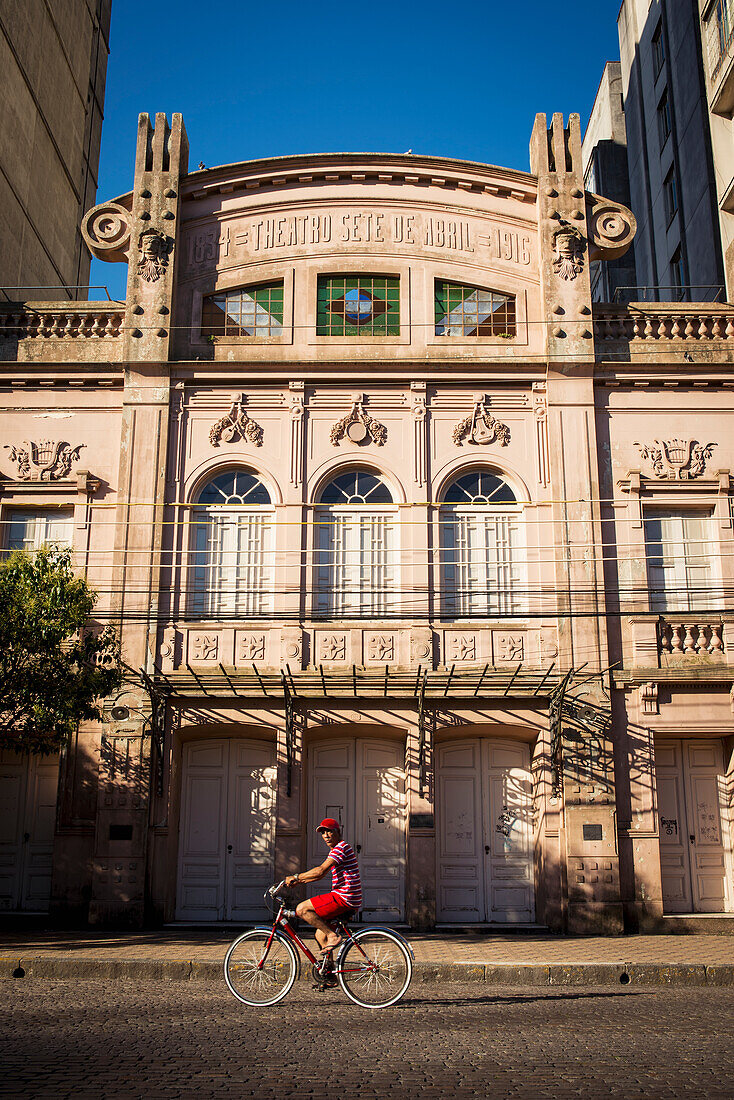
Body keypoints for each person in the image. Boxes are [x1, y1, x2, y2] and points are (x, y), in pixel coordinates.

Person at [285, 818, 362, 956]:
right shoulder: (337, 849)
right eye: (323, 832)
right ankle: (329, 970)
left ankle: (333, 936)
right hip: (349, 898)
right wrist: (300, 882)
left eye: (329, 831)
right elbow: (319, 876)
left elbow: (320, 871)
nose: (326, 835)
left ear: (338, 832)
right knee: (320, 935)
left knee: (302, 909)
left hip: (345, 897)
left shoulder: (341, 847)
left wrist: (296, 877)